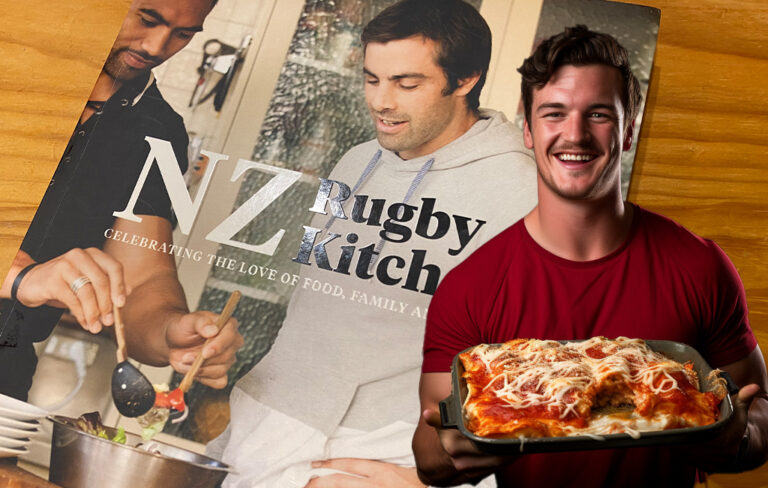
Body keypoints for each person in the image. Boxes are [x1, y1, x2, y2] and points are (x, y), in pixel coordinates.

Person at [413, 25, 768, 487]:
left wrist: (739, 436)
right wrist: (449, 451)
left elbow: (757, 408)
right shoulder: (468, 287)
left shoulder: (699, 265)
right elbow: (428, 448)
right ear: (527, 130)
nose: (574, 134)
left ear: (627, 132)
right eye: (554, 113)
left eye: (598, 114)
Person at [206, 1, 537, 486]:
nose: (381, 101)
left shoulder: (524, 194)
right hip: (271, 434)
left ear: (465, 78)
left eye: (407, 84)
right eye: (372, 79)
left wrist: (430, 480)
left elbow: (540, 365)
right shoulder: (356, 161)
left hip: (387, 452)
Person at [0, 0, 243, 401]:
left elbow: (143, 279)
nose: (156, 46)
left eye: (183, 34)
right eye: (147, 19)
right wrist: (22, 275)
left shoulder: (158, 129)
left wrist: (171, 333)